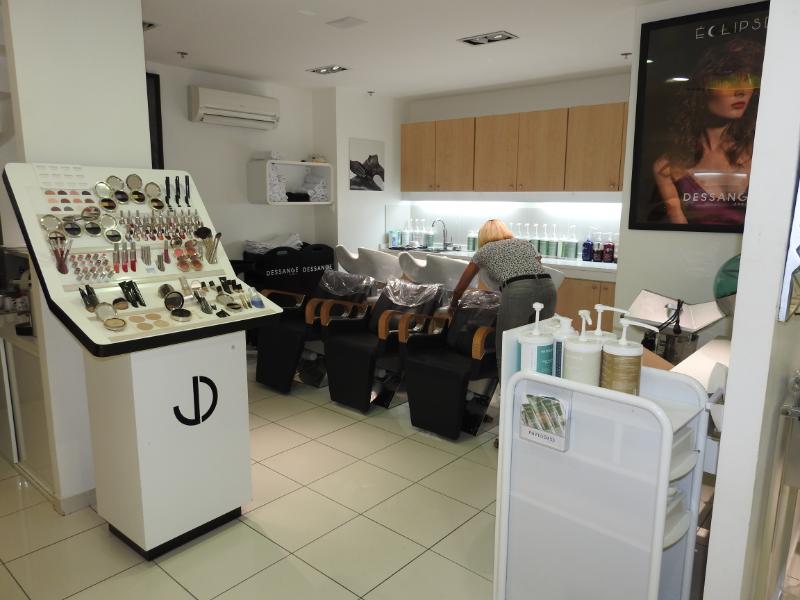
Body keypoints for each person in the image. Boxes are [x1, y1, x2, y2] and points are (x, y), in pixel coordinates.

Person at [653, 38, 764, 226]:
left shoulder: (760, 153)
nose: (742, 91)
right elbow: (678, 234)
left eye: (749, 80)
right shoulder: (667, 167)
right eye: (729, 81)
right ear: (704, 87)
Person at [449, 219, 556, 371]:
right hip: (548, 287)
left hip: (518, 290)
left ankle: (506, 386)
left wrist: (453, 304)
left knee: (506, 349)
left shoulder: (483, 251)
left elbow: (462, 284)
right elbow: (536, 268)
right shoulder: (525, 244)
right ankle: (538, 383)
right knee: (542, 345)